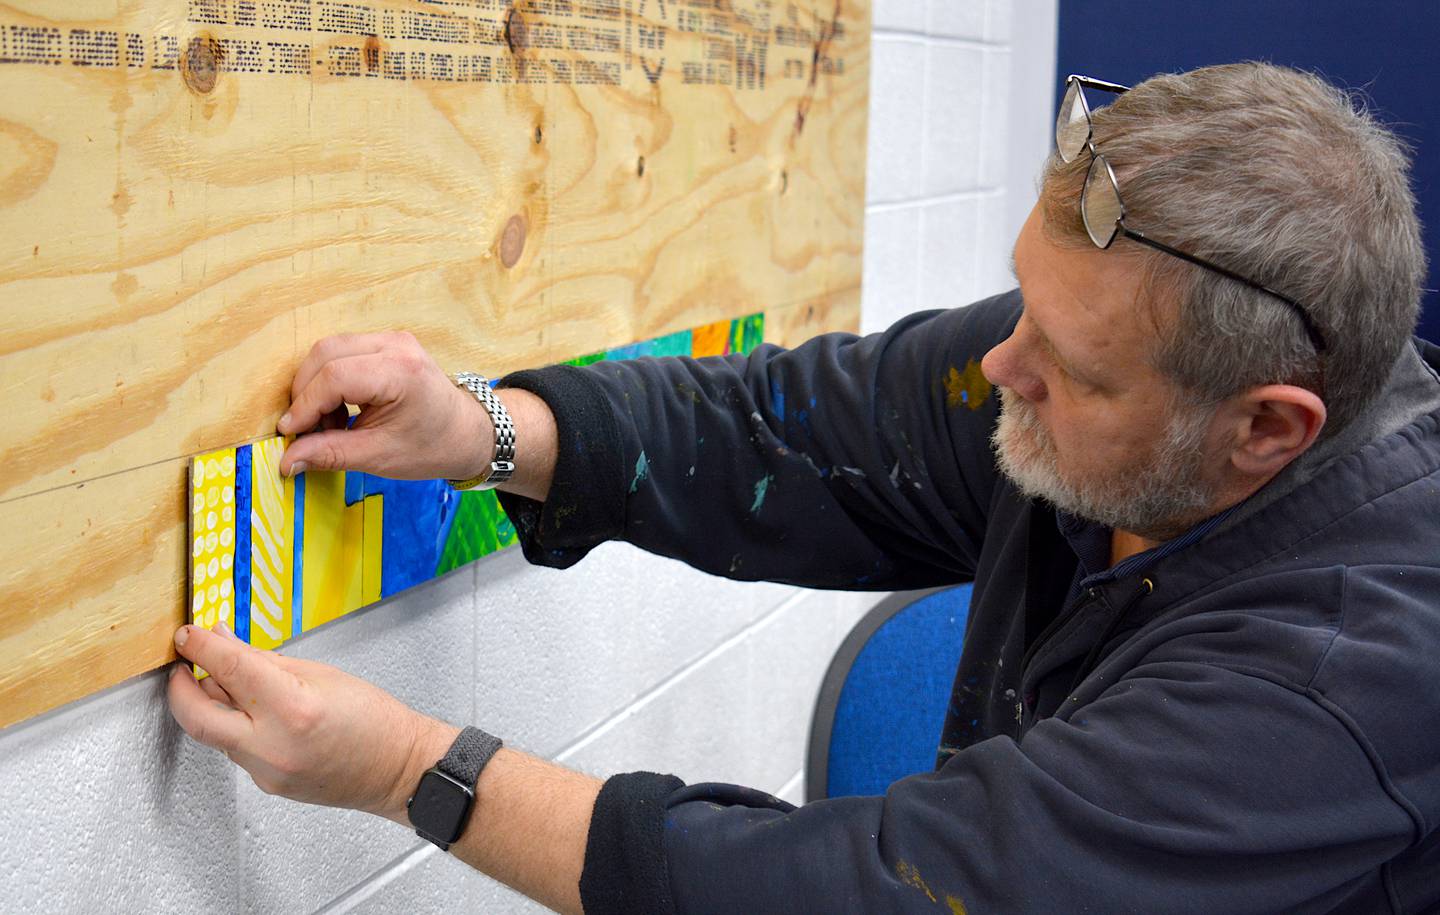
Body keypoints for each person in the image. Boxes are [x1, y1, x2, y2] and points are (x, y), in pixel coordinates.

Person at [167, 61, 1440, 913]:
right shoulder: (1130, 385)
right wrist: (485, 426)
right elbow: (798, 426)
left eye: (1068, 366)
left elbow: (889, 890)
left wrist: (409, 770)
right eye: (1025, 310)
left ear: (1267, 428)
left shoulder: (1343, 680)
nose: (1002, 362)